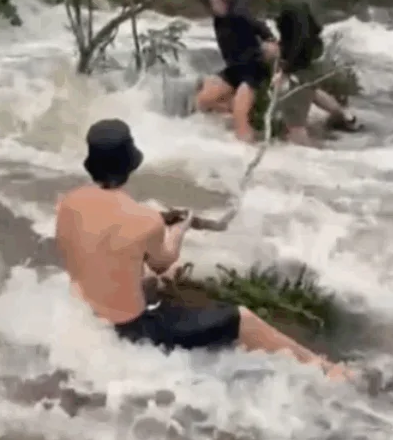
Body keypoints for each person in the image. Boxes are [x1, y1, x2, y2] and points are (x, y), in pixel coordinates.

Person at [55, 119, 350, 379]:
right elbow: (163, 260)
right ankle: (324, 369)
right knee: (242, 318)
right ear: (130, 165)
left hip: (88, 313)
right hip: (131, 332)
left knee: (148, 278)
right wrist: (179, 230)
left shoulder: (68, 202)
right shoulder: (143, 219)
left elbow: (98, 241)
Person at [252, 0, 362, 147]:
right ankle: (346, 118)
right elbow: (307, 29)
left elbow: (301, 40)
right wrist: (283, 43)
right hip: (313, 59)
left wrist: (285, 70)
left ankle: (312, 165)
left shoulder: (291, 4)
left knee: (294, 125)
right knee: (311, 90)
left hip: (301, 65)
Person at [192, 0, 279, 143]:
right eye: (213, 3)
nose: (214, 6)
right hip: (234, 69)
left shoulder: (240, 15)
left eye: (218, 3)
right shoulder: (217, 16)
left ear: (227, 3)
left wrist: (271, 41)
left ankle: (246, 149)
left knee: (240, 114)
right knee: (203, 100)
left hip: (252, 70)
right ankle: (223, 121)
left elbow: (261, 27)